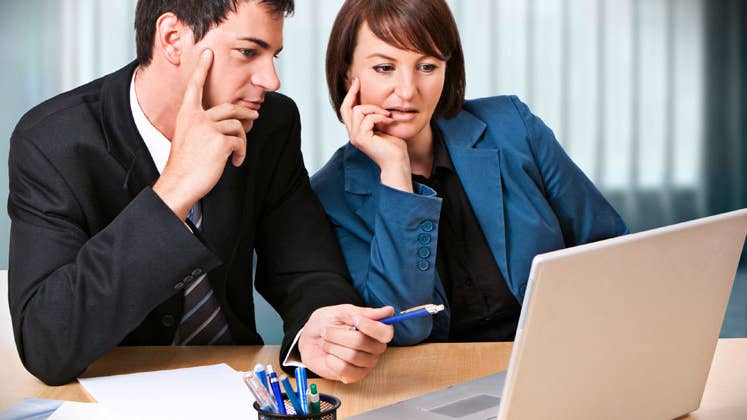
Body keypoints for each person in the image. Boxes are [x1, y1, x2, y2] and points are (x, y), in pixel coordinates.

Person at [7, 0, 393, 386]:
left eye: (273, 55)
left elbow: (306, 269)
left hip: (241, 388)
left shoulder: (269, 124)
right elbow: (45, 345)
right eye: (247, 52)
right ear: (173, 38)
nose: (271, 80)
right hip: (107, 392)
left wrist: (321, 325)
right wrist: (173, 191)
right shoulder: (52, 142)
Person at [311, 0, 628, 346]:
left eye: (427, 66)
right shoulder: (329, 196)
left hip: (556, 352)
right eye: (385, 68)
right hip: (435, 383)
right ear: (347, 73)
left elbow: (609, 247)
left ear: (448, 69)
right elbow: (403, 327)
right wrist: (395, 172)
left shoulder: (512, 126)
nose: (407, 90)